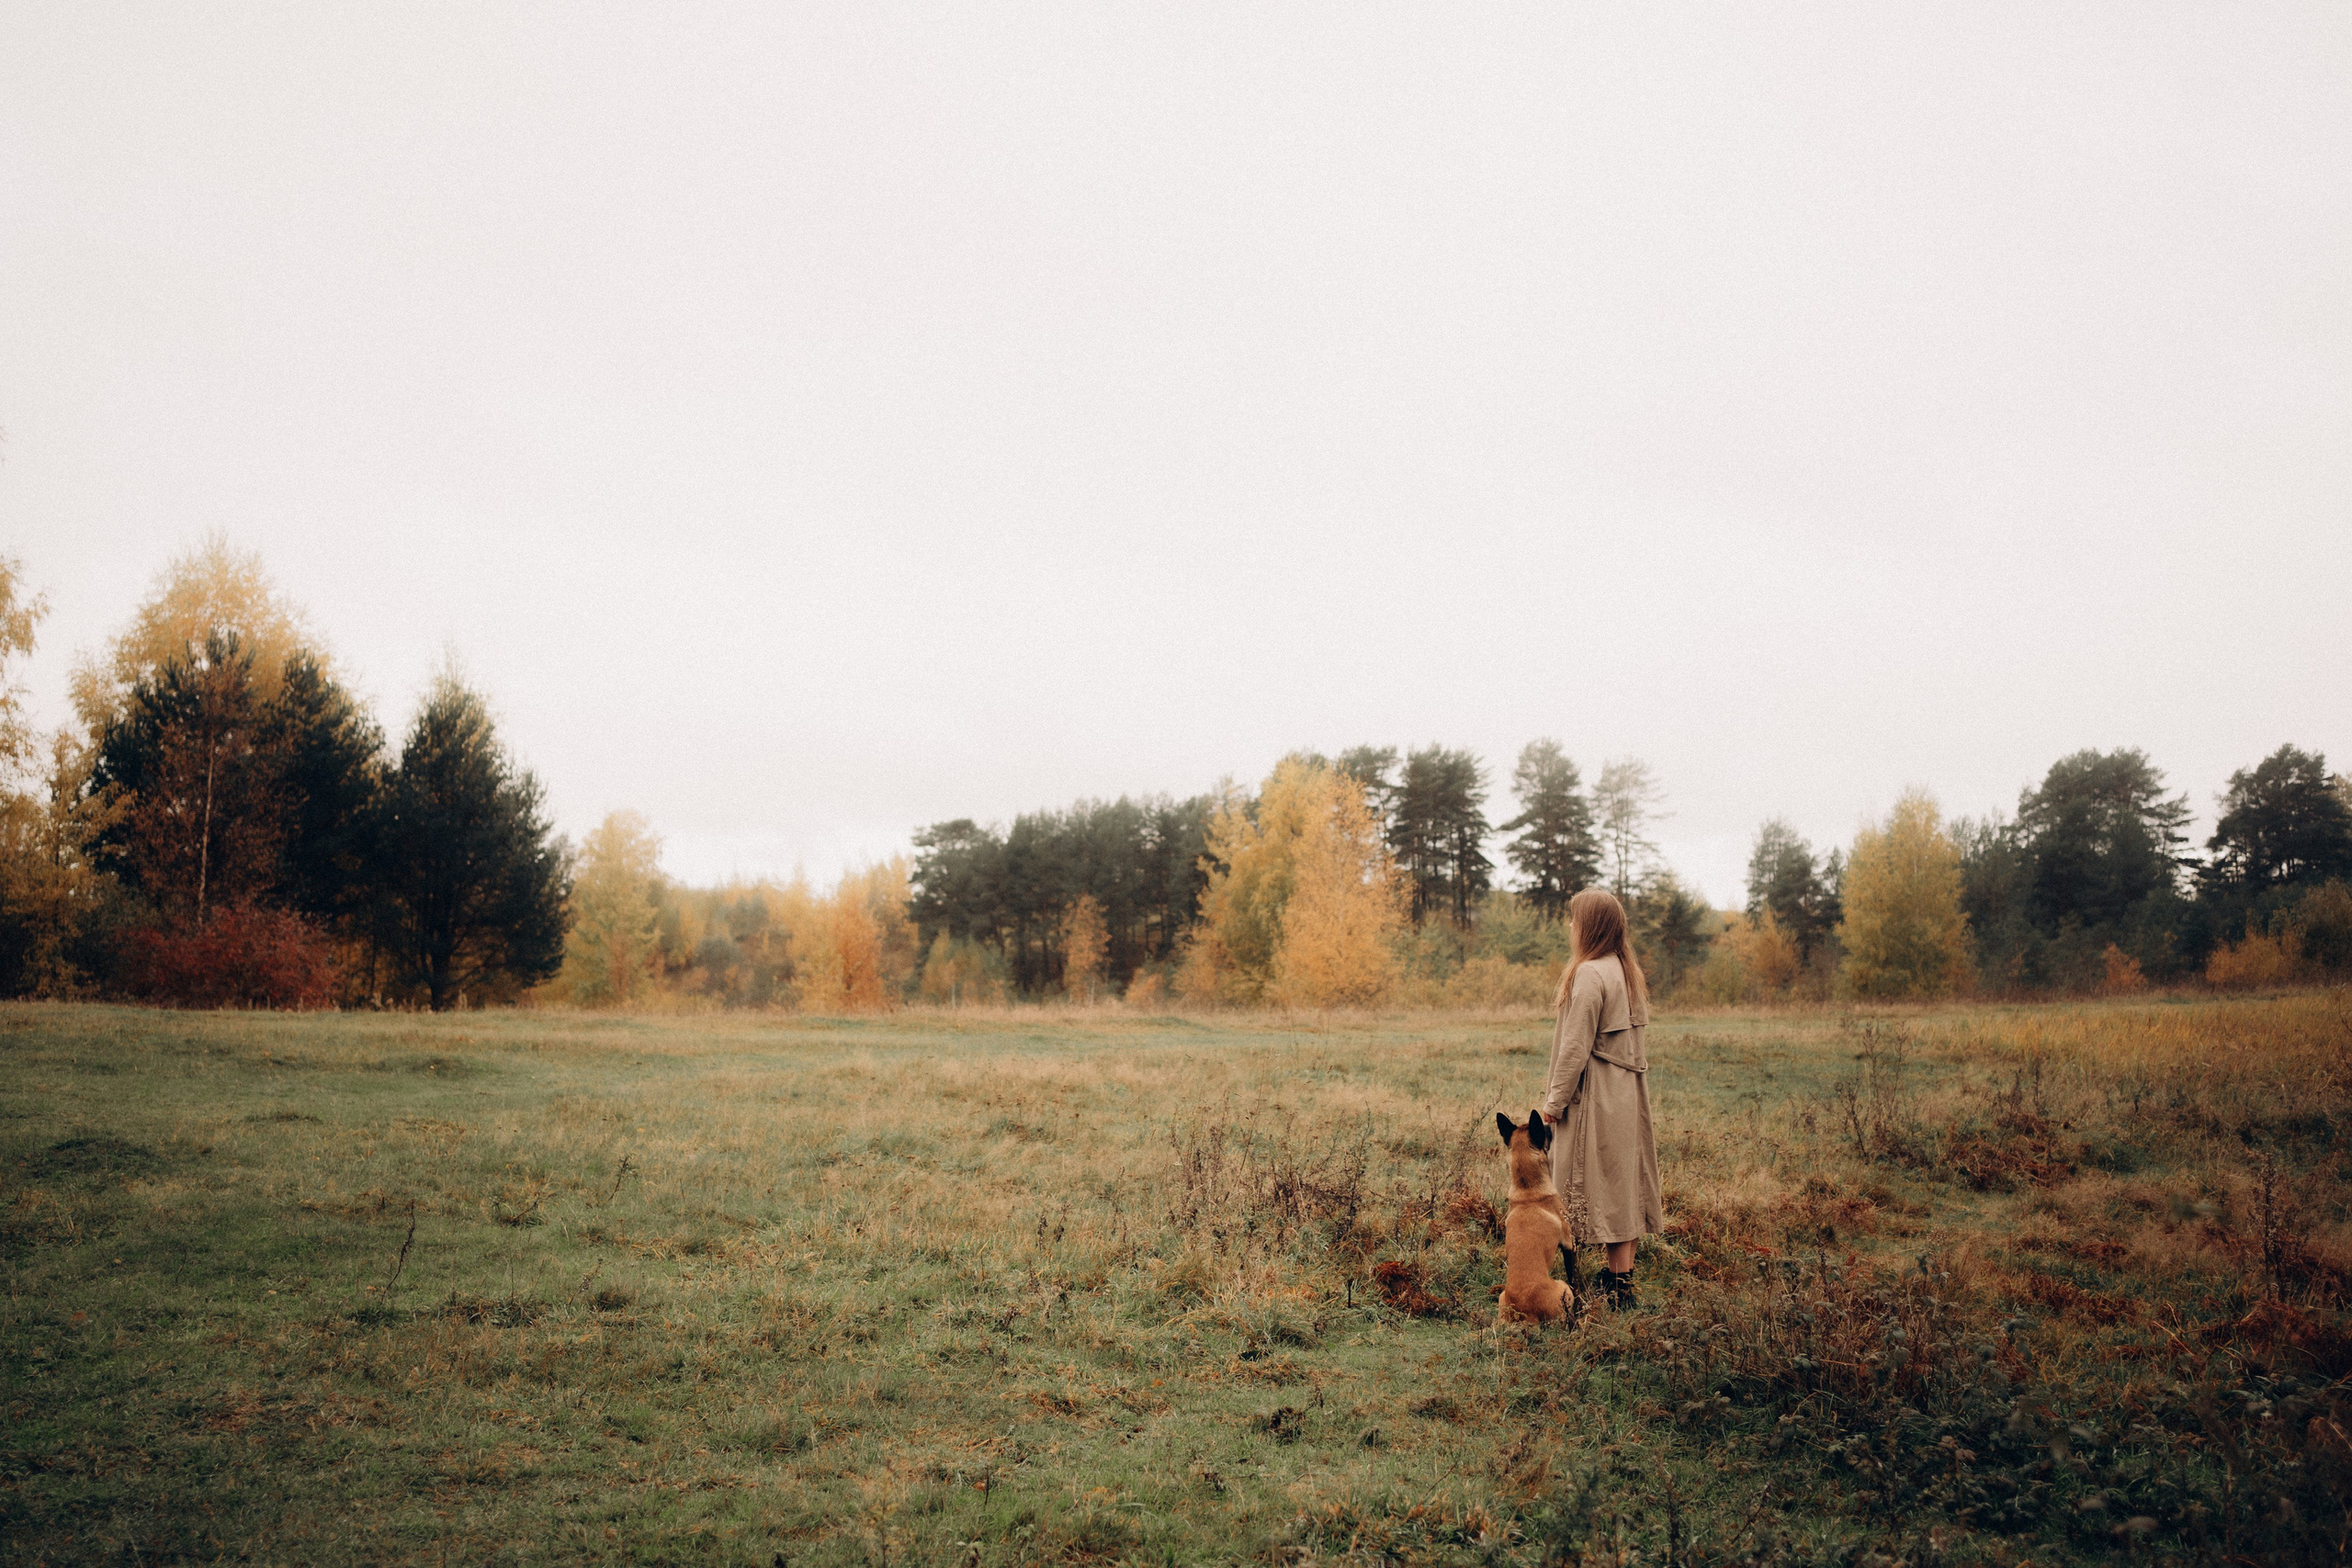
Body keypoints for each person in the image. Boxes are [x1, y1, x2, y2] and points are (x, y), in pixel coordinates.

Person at [1537, 887, 1663, 1310]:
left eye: (1575, 919)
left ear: (1589, 926)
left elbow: (1574, 1046)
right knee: (1622, 1185)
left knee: (1592, 1185)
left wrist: (1553, 1104)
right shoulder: (1626, 971)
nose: (1570, 926)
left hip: (1596, 1098)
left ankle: (1580, 1281)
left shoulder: (1590, 973)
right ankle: (1620, 1283)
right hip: (1626, 1096)